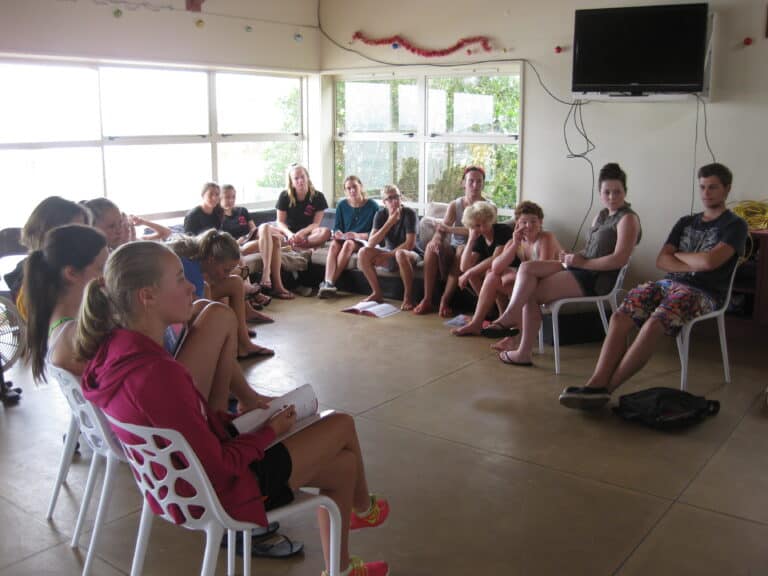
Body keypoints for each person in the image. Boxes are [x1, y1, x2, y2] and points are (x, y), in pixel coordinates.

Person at [76, 241, 390, 576]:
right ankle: (361, 506)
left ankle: (342, 568)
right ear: (147, 296)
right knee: (339, 423)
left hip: (177, 489)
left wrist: (239, 423)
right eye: (180, 279)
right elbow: (219, 465)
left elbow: (187, 428)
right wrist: (270, 431)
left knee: (342, 466)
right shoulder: (158, 374)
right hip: (222, 494)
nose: (191, 287)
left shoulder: (115, 353)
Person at [560, 163, 748, 409]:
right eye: (702, 187)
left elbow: (711, 262)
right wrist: (694, 261)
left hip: (704, 292)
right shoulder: (686, 221)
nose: (706, 193)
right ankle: (595, 382)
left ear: (727, 189)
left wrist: (679, 255)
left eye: (713, 187)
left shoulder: (735, 225)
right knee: (621, 316)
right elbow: (662, 260)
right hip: (668, 283)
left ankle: (606, 389)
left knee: (653, 323)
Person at [487, 163, 641, 366]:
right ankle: (512, 319)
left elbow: (619, 259)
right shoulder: (602, 215)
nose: (612, 197)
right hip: (581, 267)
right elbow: (591, 250)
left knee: (530, 292)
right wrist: (572, 257)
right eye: (607, 192)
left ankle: (520, 346)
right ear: (600, 193)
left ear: (625, 192)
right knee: (527, 269)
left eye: (617, 192)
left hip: (597, 278)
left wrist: (584, 263)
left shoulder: (628, 219)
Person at [452, 201, 561, 336]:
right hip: (528, 285)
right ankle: (476, 323)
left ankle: (506, 321)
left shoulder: (546, 238)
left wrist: (514, 274)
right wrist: (515, 244)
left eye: (533, 221)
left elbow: (543, 273)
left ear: (541, 222)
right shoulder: (515, 241)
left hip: (548, 287)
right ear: (517, 224)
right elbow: (496, 268)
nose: (529, 226)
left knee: (500, 275)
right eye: (524, 222)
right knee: (492, 276)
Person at [168, 230, 275, 358]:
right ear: (211, 260)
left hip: (186, 299)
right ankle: (229, 341)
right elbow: (195, 308)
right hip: (173, 313)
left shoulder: (200, 259)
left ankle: (243, 342)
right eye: (226, 270)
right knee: (212, 294)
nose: (227, 274)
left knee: (235, 282)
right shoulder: (190, 269)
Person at [23, 224, 108, 382]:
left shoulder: (59, 318)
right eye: (101, 268)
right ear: (71, 273)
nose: (106, 277)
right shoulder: (74, 335)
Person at [414, 166, 488, 316]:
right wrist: (436, 239)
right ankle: (427, 299)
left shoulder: (488, 206)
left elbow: (477, 231)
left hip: (475, 249)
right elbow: (442, 228)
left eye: (478, 182)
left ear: (483, 184)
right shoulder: (456, 204)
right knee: (430, 247)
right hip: (454, 246)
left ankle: (445, 300)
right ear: (463, 183)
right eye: (471, 181)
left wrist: (450, 230)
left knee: (461, 250)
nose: (475, 185)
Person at [6, 196, 91, 318]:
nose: (82, 238)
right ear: (47, 232)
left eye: (84, 231)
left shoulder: (80, 269)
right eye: (74, 232)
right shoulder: (30, 282)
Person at [357, 185, 421, 310]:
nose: (395, 201)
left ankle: (408, 297)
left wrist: (387, 255)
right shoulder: (380, 215)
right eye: (390, 198)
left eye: (396, 197)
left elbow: (410, 244)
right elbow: (371, 243)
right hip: (390, 252)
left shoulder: (409, 214)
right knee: (363, 252)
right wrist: (390, 222)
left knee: (400, 254)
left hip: (411, 254)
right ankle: (377, 293)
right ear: (384, 202)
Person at [219, 184, 289, 300]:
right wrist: (237, 241)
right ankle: (274, 284)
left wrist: (271, 232)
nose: (231, 200)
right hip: (236, 246)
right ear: (220, 198)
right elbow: (222, 240)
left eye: (233, 197)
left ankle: (267, 274)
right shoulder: (219, 216)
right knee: (274, 241)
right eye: (227, 197)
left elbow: (254, 229)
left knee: (269, 231)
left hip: (250, 240)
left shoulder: (242, 211)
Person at [318, 175, 379, 298]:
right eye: (348, 188)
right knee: (334, 244)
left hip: (362, 240)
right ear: (345, 191)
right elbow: (337, 227)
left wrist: (357, 235)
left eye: (354, 187)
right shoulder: (342, 205)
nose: (352, 190)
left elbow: (375, 233)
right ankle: (328, 283)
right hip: (344, 238)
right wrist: (338, 233)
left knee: (349, 244)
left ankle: (328, 283)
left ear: (360, 187)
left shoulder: (372, 205)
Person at [272, 165, 331, 250]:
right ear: (291, 182)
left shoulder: (319, 197)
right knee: (265, 229)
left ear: (307, 177)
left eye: (302, 176)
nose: (300, 180)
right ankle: (296, 245)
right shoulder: (284, 196)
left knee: (325, 232)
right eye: (296, 178)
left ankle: (296, 246)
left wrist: (302, 233)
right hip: (287, 233)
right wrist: (289, 234)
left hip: (308, 233)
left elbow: (316, 224)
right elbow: (280, 221)